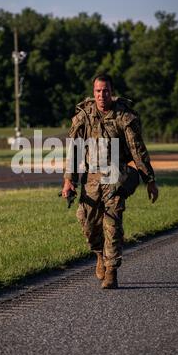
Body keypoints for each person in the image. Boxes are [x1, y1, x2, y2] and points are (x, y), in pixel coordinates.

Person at [62, 74, 158, 289]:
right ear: (93, 92)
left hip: (117, 175)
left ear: (111, 92)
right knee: (87, 224)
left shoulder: (123, 116)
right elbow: (74, 151)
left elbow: (137, 150)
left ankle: (111, 270)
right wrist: (69, 181)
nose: (101, 95)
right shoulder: (85, 116)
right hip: (91, 178)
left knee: (112, 222)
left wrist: (149, 180)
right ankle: (99, 255)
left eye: (105, 91)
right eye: (97, 91)